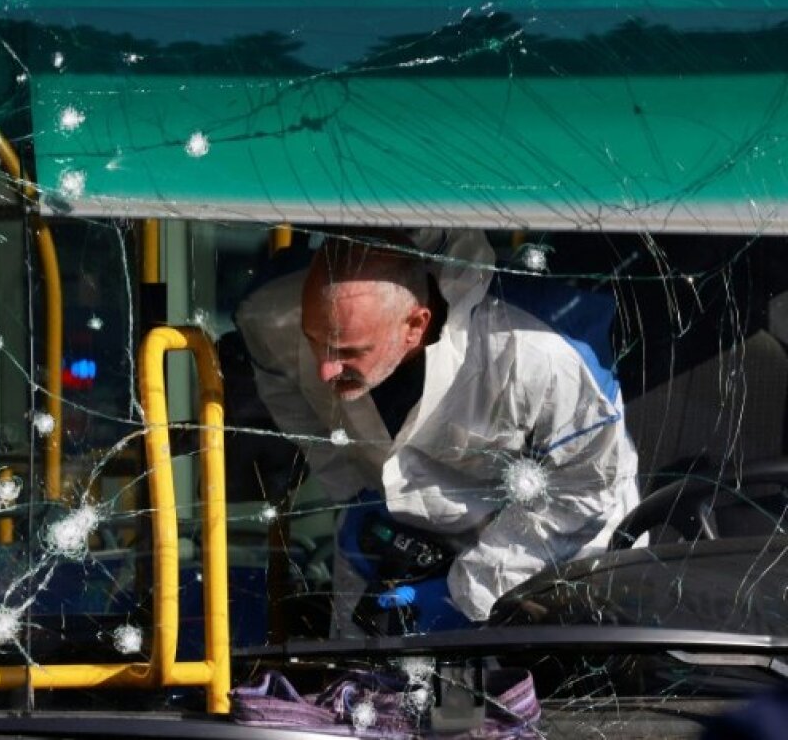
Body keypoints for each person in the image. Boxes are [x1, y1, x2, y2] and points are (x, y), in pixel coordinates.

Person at [235, 229, 639, 634]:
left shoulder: (537, 351)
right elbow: (285, 391)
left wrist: (466, 592)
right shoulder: (272, 315)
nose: (325, 369)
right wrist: (353, 490)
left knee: (522, 688)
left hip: (549, 548)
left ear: (415, 324)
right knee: (362, 684)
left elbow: (585, 489)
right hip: (393, 534)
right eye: (313, 341)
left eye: (348, 351)